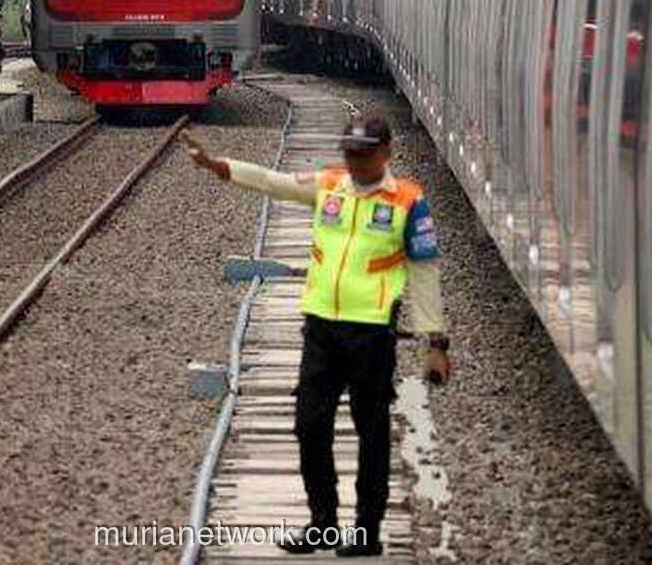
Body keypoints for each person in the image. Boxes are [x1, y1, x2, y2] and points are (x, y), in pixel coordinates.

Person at [181, 115, 451, 558]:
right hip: (321, 328)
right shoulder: (330, 186)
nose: (355, 163)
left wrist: (435, 342)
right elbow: (275, 182)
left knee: (372, 434)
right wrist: (218, 165)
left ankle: (366, 531)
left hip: (372, 333)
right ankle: (322, 523)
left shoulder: (408, 201)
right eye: (349, 154)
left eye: (364, 155)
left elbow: (424, 273)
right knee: (309, 425)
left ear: (387, 152)